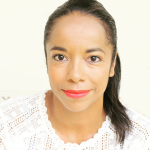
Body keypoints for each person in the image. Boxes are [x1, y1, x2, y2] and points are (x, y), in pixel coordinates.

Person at [0, 0, 150, 149]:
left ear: (112, 64)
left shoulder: (142, 139)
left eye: (93, 58)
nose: (75, 75)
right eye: (60, 57)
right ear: (47, 60)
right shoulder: (6, 126)